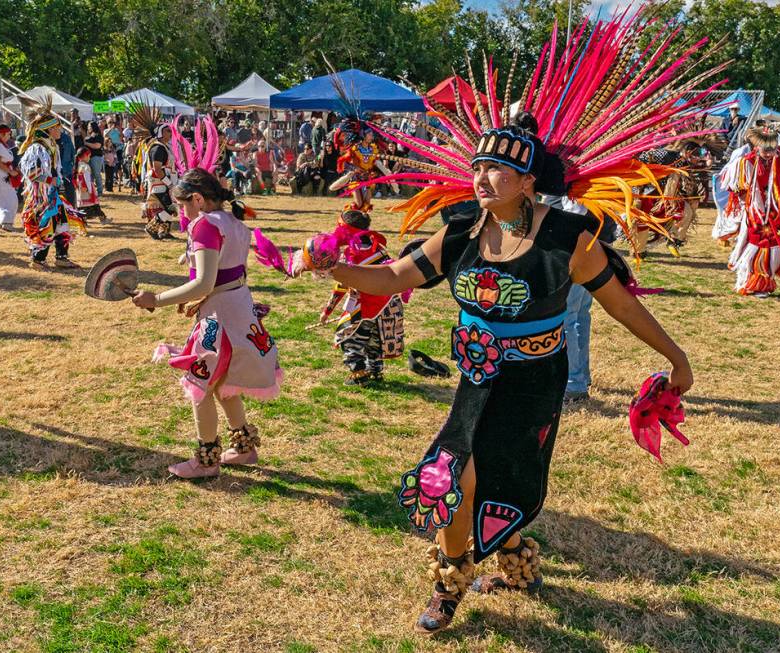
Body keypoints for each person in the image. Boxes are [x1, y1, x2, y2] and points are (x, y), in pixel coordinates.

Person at [283, 14, 717, 631]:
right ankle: (451, 576)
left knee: (508, 485)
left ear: (528, 181)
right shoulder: (461, 229)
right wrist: (336, 270)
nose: (483, 179)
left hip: (536, 378)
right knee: (450, 475)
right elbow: (393, 278)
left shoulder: (569, 237)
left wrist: (677, 360)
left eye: (499, 171)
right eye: (479, 167)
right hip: (476, 375)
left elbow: (622, 304)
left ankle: (511, 552)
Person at [131, 168, 282, 479]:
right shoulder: (233, 221)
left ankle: (207, 460)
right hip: (238, 308)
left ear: (198, 199)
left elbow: (203, 282)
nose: (182, 212)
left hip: (221, 319)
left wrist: (156, 299)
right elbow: (225, 277)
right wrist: (200, 298)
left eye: (184, 204)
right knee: (224, 384)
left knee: (202, 384)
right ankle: (243, 448)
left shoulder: (205, 226)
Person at [318, 210, 408, 385]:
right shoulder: (378, 247)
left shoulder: (352, 255)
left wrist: (327, 311)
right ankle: (375, 372)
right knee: (375, 338)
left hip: (368, 304)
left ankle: (359, 374)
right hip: (389, 302)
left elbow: (341, 286)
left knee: (350, 338)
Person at [724, 126, 780, 296]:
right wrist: (743, 194)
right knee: (756, 240)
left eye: (772, 149)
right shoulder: (746, 162)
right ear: (757, 146)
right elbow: (734, 185)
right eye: (764, 149)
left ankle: (763, 281)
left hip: (779, 210)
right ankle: (750, 279)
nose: (768, 153)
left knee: (772, 243)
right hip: (756, 212)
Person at [18, 102, 86, 268]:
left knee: (61, 223)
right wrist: (49, 180)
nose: (59, 131)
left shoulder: (51, 146)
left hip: (52, 194)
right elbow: (30, 172)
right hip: (41, 197)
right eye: (56, 128)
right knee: (46, 225)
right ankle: (37, 259)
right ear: (47, 130)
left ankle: (61, 258)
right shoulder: (37, 148)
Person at [131, 106, 177, 240]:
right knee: (170, 207)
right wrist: (169, 183)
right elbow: (157, 169)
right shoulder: (157, 148)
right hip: (159, 182)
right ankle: (151, 227)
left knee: (169, 207)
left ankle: (164, 232)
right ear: (161, 133)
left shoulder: (163, 147)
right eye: (168, 131)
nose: (171, 133)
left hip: (164, 182)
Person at [74, 146, 109, 224]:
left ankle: (83, 222)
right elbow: (87, 179)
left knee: (82, 207)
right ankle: (102, 219)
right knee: (94, 205)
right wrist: (90, 190)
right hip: (86, 189)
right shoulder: (85, 166)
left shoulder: (78, 165)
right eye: (89, 156)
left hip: (80, 189)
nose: (89, 158)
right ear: (85, 156)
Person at [84, 121, 105, 198]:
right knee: (90, 175)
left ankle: (100, 191)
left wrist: (86, 144)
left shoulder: (98, 135)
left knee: (96, 174)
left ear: (93, 127)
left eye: (89, 126)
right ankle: (92, 191)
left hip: (96, 157)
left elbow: (97, 146)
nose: (88, 127)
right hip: (89, 157)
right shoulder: (89, 136)